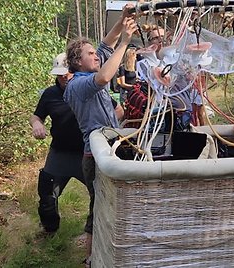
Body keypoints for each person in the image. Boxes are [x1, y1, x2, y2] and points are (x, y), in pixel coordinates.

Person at [63, 5, 137, 266]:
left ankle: (112, 249)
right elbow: (106, 76)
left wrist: (124, 20)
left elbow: (107, 43)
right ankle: (91, 257)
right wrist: (126, 42)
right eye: (90, 54)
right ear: (77, 61)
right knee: (98, 206)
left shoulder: (90, 71)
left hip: (111, 146)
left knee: (114, 202)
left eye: (95, 53)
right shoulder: (77, 85)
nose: (96, 56)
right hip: (94, 156)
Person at [29, 53, 85, 236]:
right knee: (47, 194)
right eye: (59, 73)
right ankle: (49, 231)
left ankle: (97, 232)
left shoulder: (87, 89)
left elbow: (117, 110)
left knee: (102, 194)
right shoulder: (50, 94)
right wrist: (37, 124)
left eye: (67, 72)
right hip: (59, 152)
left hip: (87, 154)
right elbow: (37, 115)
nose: (63, 77)